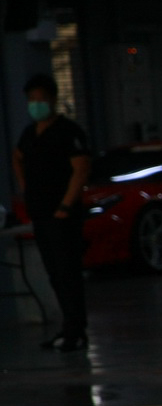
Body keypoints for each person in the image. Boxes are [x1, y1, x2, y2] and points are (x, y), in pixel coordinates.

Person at [10, 73, 91, 351]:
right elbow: (17, 157)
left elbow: (80, 170)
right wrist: (25, 187)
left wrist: (65, 206)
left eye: (40, 100)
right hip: (40, 213)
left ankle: (76, 329)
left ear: (53, 99)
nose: (36, 105)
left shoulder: (68, 132)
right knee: (54, 274)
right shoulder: (29, 134)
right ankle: (67, 328)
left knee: (68, 272)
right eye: (31, 101)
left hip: (62, 216)